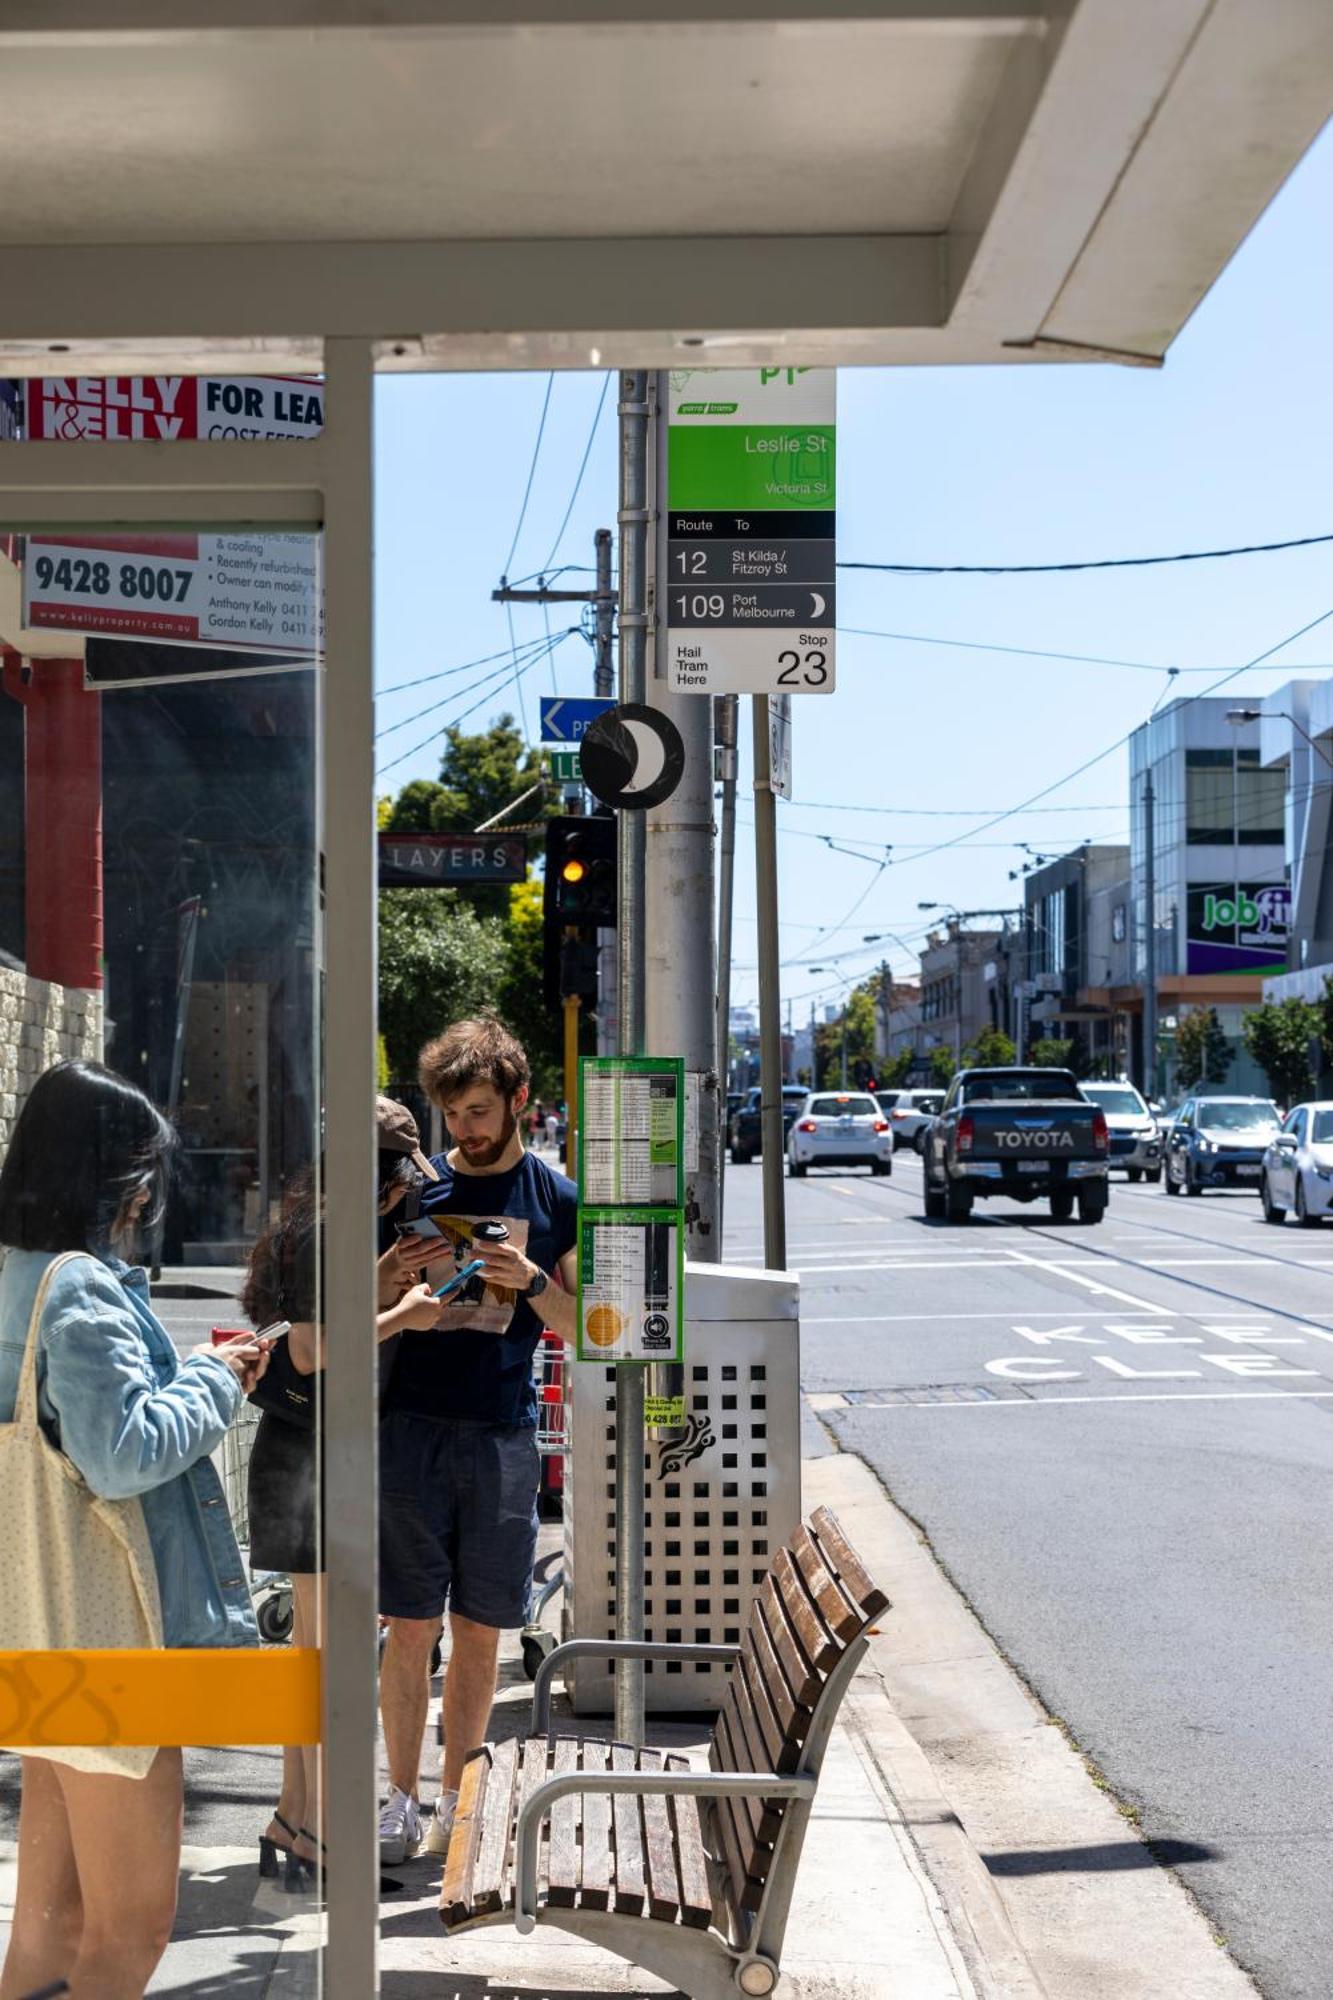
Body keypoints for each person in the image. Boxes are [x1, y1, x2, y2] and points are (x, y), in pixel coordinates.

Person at [0, 1060, 269, 2000]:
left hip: (39, 1627)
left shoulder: (15, 1278)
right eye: (143, 1169)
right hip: (107, 1637)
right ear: (107, 1176)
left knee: (51, 1924)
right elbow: (121, 1454)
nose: (151, 1192)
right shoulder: (77, 1293)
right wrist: (221, 1379)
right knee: (131, 1930)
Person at [376, 1017, 577, 1864]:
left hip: (502, 1433)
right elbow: (353, 1316)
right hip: (409, 1427)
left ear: (519, 1102)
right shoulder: (412, 1192)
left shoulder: (553, 1197)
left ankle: (461, 1803)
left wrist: (528, 1281)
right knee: (408, 1624)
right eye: (453, 1114)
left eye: (480, 1111)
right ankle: (400, 1798)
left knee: (481, 1629)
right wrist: (390, 1271)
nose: (465, 1129)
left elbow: (586, 1325)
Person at [249, 1100, 444, 1892]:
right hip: (313, 1458)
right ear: (382, 1176)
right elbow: (315, 1343)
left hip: (300, 1451)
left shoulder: (312, 1221)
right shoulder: (328, 1229)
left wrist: (387, 1277)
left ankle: (296, 1819)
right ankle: (322, 1833)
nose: (405, 1198)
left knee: (312, 1654)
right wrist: (406, 1311)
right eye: (401, 1182)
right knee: (327, 1658)